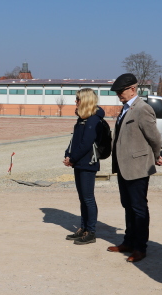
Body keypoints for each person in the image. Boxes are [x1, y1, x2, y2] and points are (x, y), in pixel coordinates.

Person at [106, 73, 162, 262]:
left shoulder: (142, 109)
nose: (118, 95)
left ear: (133, 89)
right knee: (128, 206)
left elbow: (154, 137)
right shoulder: (125, 109)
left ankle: (140, 247)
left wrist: (156, 156)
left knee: (138, 208)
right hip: (124, 167)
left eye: (121, 91)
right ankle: (129, 242)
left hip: (138, 167)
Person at [63, 88, 105, 245]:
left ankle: (91, 231)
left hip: (88, 163)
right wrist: (68, 154)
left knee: (88, 198)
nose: (76, 101)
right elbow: (75, 141)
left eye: (78, 99)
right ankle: (83, 228)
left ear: (86, 100)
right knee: (82, 198)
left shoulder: (93, 120)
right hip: (79, 162)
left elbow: (86, 144)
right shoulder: (82, 118)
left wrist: (72, 159)